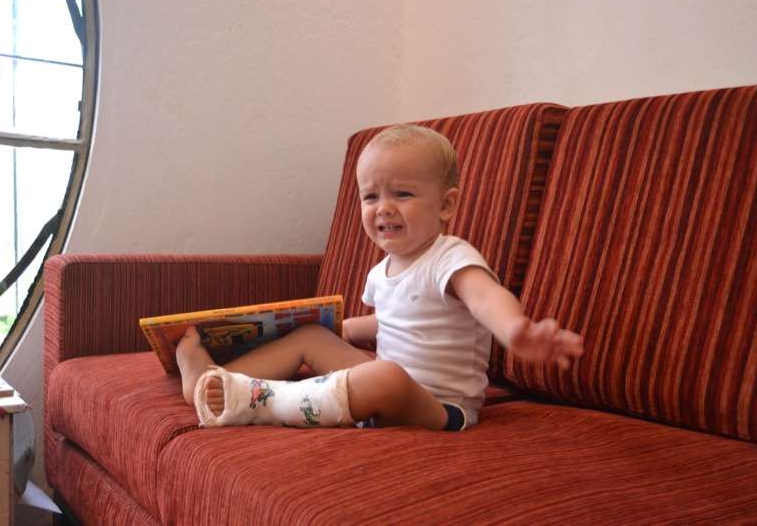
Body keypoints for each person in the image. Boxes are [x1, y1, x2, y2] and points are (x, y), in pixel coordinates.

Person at [177, 124, 584, 431]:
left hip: (440, 408)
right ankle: (216, 381)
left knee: (386, 374)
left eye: (402, 194)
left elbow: (485, 297)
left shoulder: (450, 257)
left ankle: (258, 402)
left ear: (446, 205)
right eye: (371, 196)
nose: (383, 207)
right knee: (313, 337)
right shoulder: (381, 270)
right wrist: (336, 329)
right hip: (386, 385)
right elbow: (388, 320)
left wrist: (514, 330)